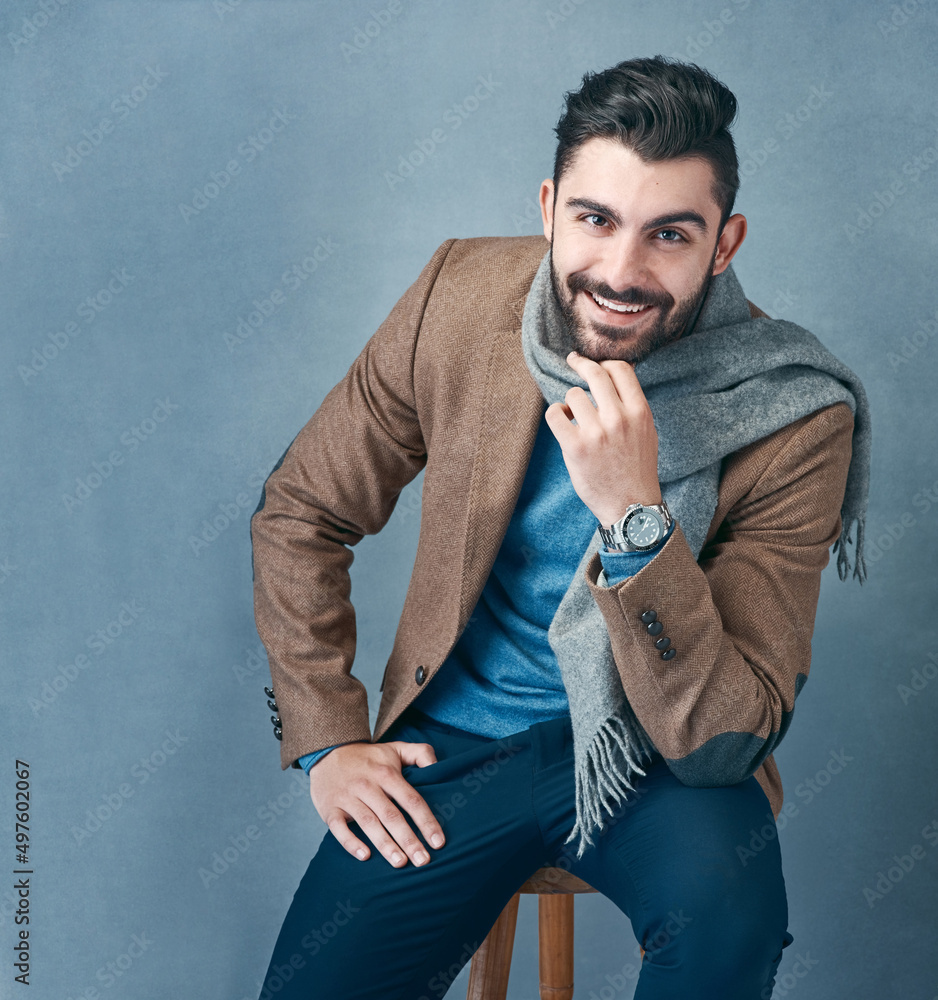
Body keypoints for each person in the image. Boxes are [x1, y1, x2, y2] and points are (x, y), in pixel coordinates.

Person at [250, 55, 870, 1000]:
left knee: (729, 931)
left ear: (725, 242)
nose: (622, 272)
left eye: (670, 234)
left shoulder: (793, 413)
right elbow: (303, 511)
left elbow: (725, 734)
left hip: (659, 756)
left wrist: (633, 516)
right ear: (548, 208)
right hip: (452, 744)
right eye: (595, 220)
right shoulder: (454, 301)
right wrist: (329, 738)